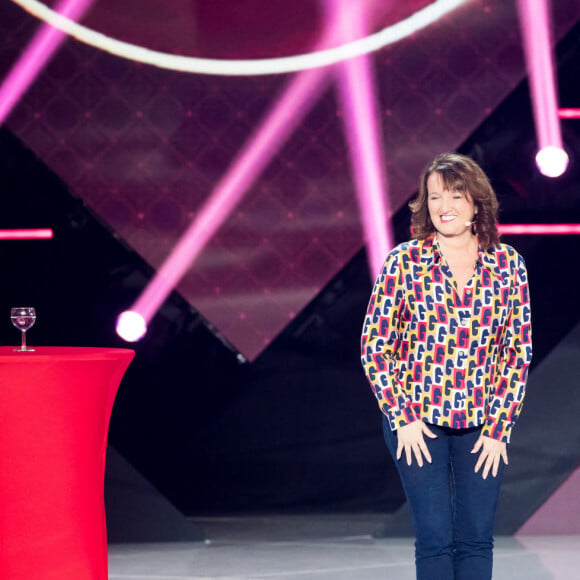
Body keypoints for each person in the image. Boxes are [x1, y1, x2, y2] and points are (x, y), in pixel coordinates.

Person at [360, 152, 532, 580]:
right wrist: (402, 417)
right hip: (417, 420)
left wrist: (499, 428)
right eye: (435, 196)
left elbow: (517, 353)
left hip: (482, 424)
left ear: (477, 203)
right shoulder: (404, 262)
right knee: (435, 539)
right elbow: (374, 347)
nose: (444, 205)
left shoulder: (508, 265)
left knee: (476, 538)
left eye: (455, 194)